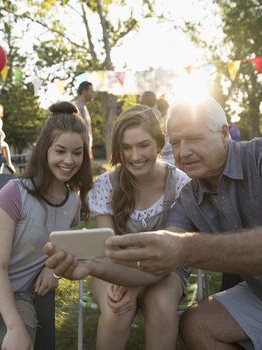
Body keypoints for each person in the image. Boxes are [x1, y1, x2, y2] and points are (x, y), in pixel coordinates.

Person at [95, 97, 262, 349]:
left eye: (194, 139)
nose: (183, 152)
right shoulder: (190, 197)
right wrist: (91, 266)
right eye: (175, 142)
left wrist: (184, 248)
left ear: (224, 133)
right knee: (197, 324)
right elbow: (157, 260)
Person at [0, 101, 93, 350]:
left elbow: (63, 246)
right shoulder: (15, 193)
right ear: (45, 149)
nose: (69, 160)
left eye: (77, 152)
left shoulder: (74, 204)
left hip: (19, 291)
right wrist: (13, 327)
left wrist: (53, 269)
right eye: (60, 151)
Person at [87, 105, 190, 349]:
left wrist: (136, 281)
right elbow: (106, 247)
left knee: (162, 303)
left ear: (158, 144)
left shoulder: (179, 184)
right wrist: (125, 279)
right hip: (113, 266)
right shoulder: (106, 185)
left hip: (168, 268)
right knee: (117, 306)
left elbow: (176, 248)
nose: (135, 155)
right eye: (126, 147)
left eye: (143, 145)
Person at [74, 81, 94, 159]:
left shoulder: (83, 107)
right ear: (84, 91)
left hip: (86, 147)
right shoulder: (77, 108)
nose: (93, 93)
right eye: (91, 91)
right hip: (81, 148)